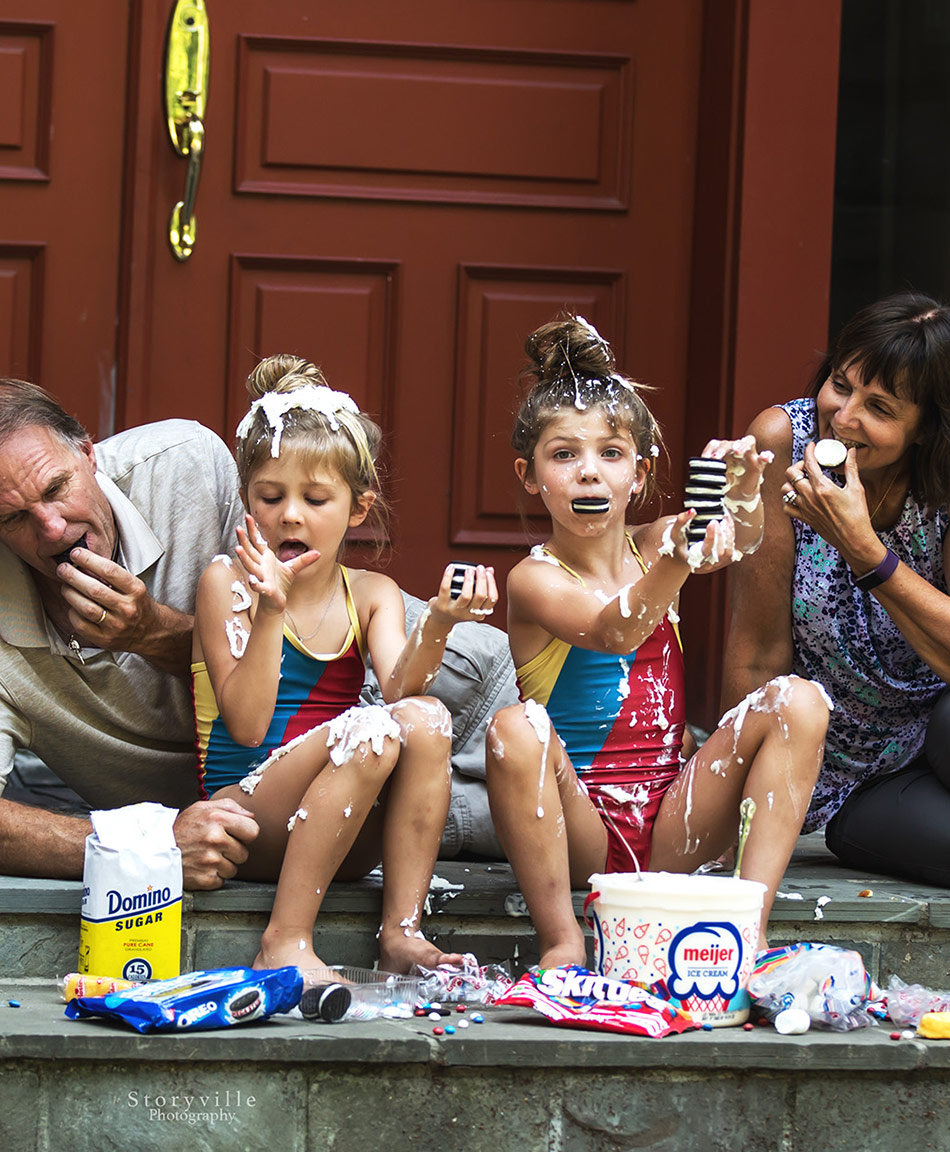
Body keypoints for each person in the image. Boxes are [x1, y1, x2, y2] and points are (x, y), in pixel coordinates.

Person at [485, 315, 829, 968]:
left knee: (800, 701)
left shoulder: (654, 545)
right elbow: (616, 628)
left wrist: (748, 493)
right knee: (514, 727)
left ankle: (748, 928)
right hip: (580, 836)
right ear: (529, 475)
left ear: (639, 475)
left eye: (610, 455)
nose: (590, 474)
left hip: (675, 823)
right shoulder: (534, 579)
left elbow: (743, 539)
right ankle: (562, 940)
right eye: (565, 455)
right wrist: (674, 562)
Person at [192, 354, 499, 973]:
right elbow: (249, 727)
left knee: (428, 718)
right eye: (270, 496)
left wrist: (438, 620)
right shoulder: (227, 582)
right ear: (246, 500)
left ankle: (402, 932)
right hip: (244, 821)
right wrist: (271, 609)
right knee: (374, 729)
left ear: (357, 509)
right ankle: (284, 941)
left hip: (343, 832)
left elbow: (403, 698)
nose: (290, 515)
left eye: (315, 498)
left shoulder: (373, 593)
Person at [722, 291, 950, 887]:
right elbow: (755, 650)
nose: (844, 417)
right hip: (843, 773)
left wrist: (865, 550)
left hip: (937, 727)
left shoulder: (943, 486)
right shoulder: (781, 443)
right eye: (841, 386)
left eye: (879, 407)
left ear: (925, 428)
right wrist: (735, 814)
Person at [0, 379, 259, 886]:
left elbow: (303, 662)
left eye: (57, 488)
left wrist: (150, 632)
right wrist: (147, 844)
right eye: (12, 518)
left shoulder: (185, 465)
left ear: (87, 452)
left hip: (423, 670)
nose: (51, 529)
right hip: (280, 820)